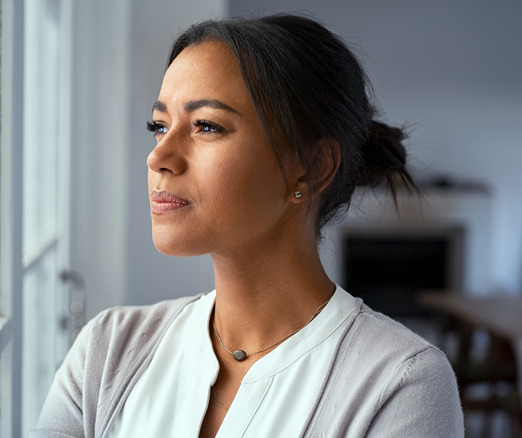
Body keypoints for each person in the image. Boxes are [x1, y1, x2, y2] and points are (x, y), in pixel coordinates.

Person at [32, 14, 464, 438]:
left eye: (206, 126)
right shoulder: (107, 351)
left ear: (310, 169)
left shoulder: (401, 385)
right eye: (159, 126)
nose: (158, 156)